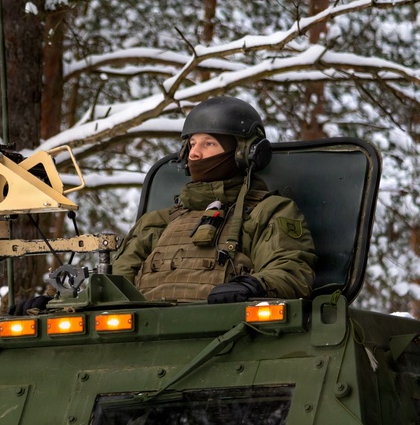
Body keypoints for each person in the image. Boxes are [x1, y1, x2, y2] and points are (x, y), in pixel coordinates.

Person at [112, 96, 316, 303]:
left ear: (242, 153)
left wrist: (253, 286)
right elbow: (113, 288)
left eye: (208, 143)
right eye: (192, 144)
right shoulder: (157, 222)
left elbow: (291, 271)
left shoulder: (268, 211)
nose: (195, 154)